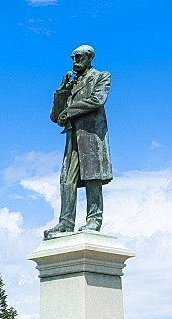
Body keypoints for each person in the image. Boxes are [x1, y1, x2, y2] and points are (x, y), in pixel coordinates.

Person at [44, 45, 113, 239]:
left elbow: (98, 100)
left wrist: (71, 110)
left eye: (78, 57)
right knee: (67, 179)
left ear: (89, 58)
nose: (74, 61)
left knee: (93, 177)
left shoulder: (101, 76)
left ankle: (94, 220)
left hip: (91, 135)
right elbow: (55, 116)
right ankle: (65, 223)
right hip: (72, 136)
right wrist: (62, 90)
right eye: (72, 58)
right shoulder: (71, 83)